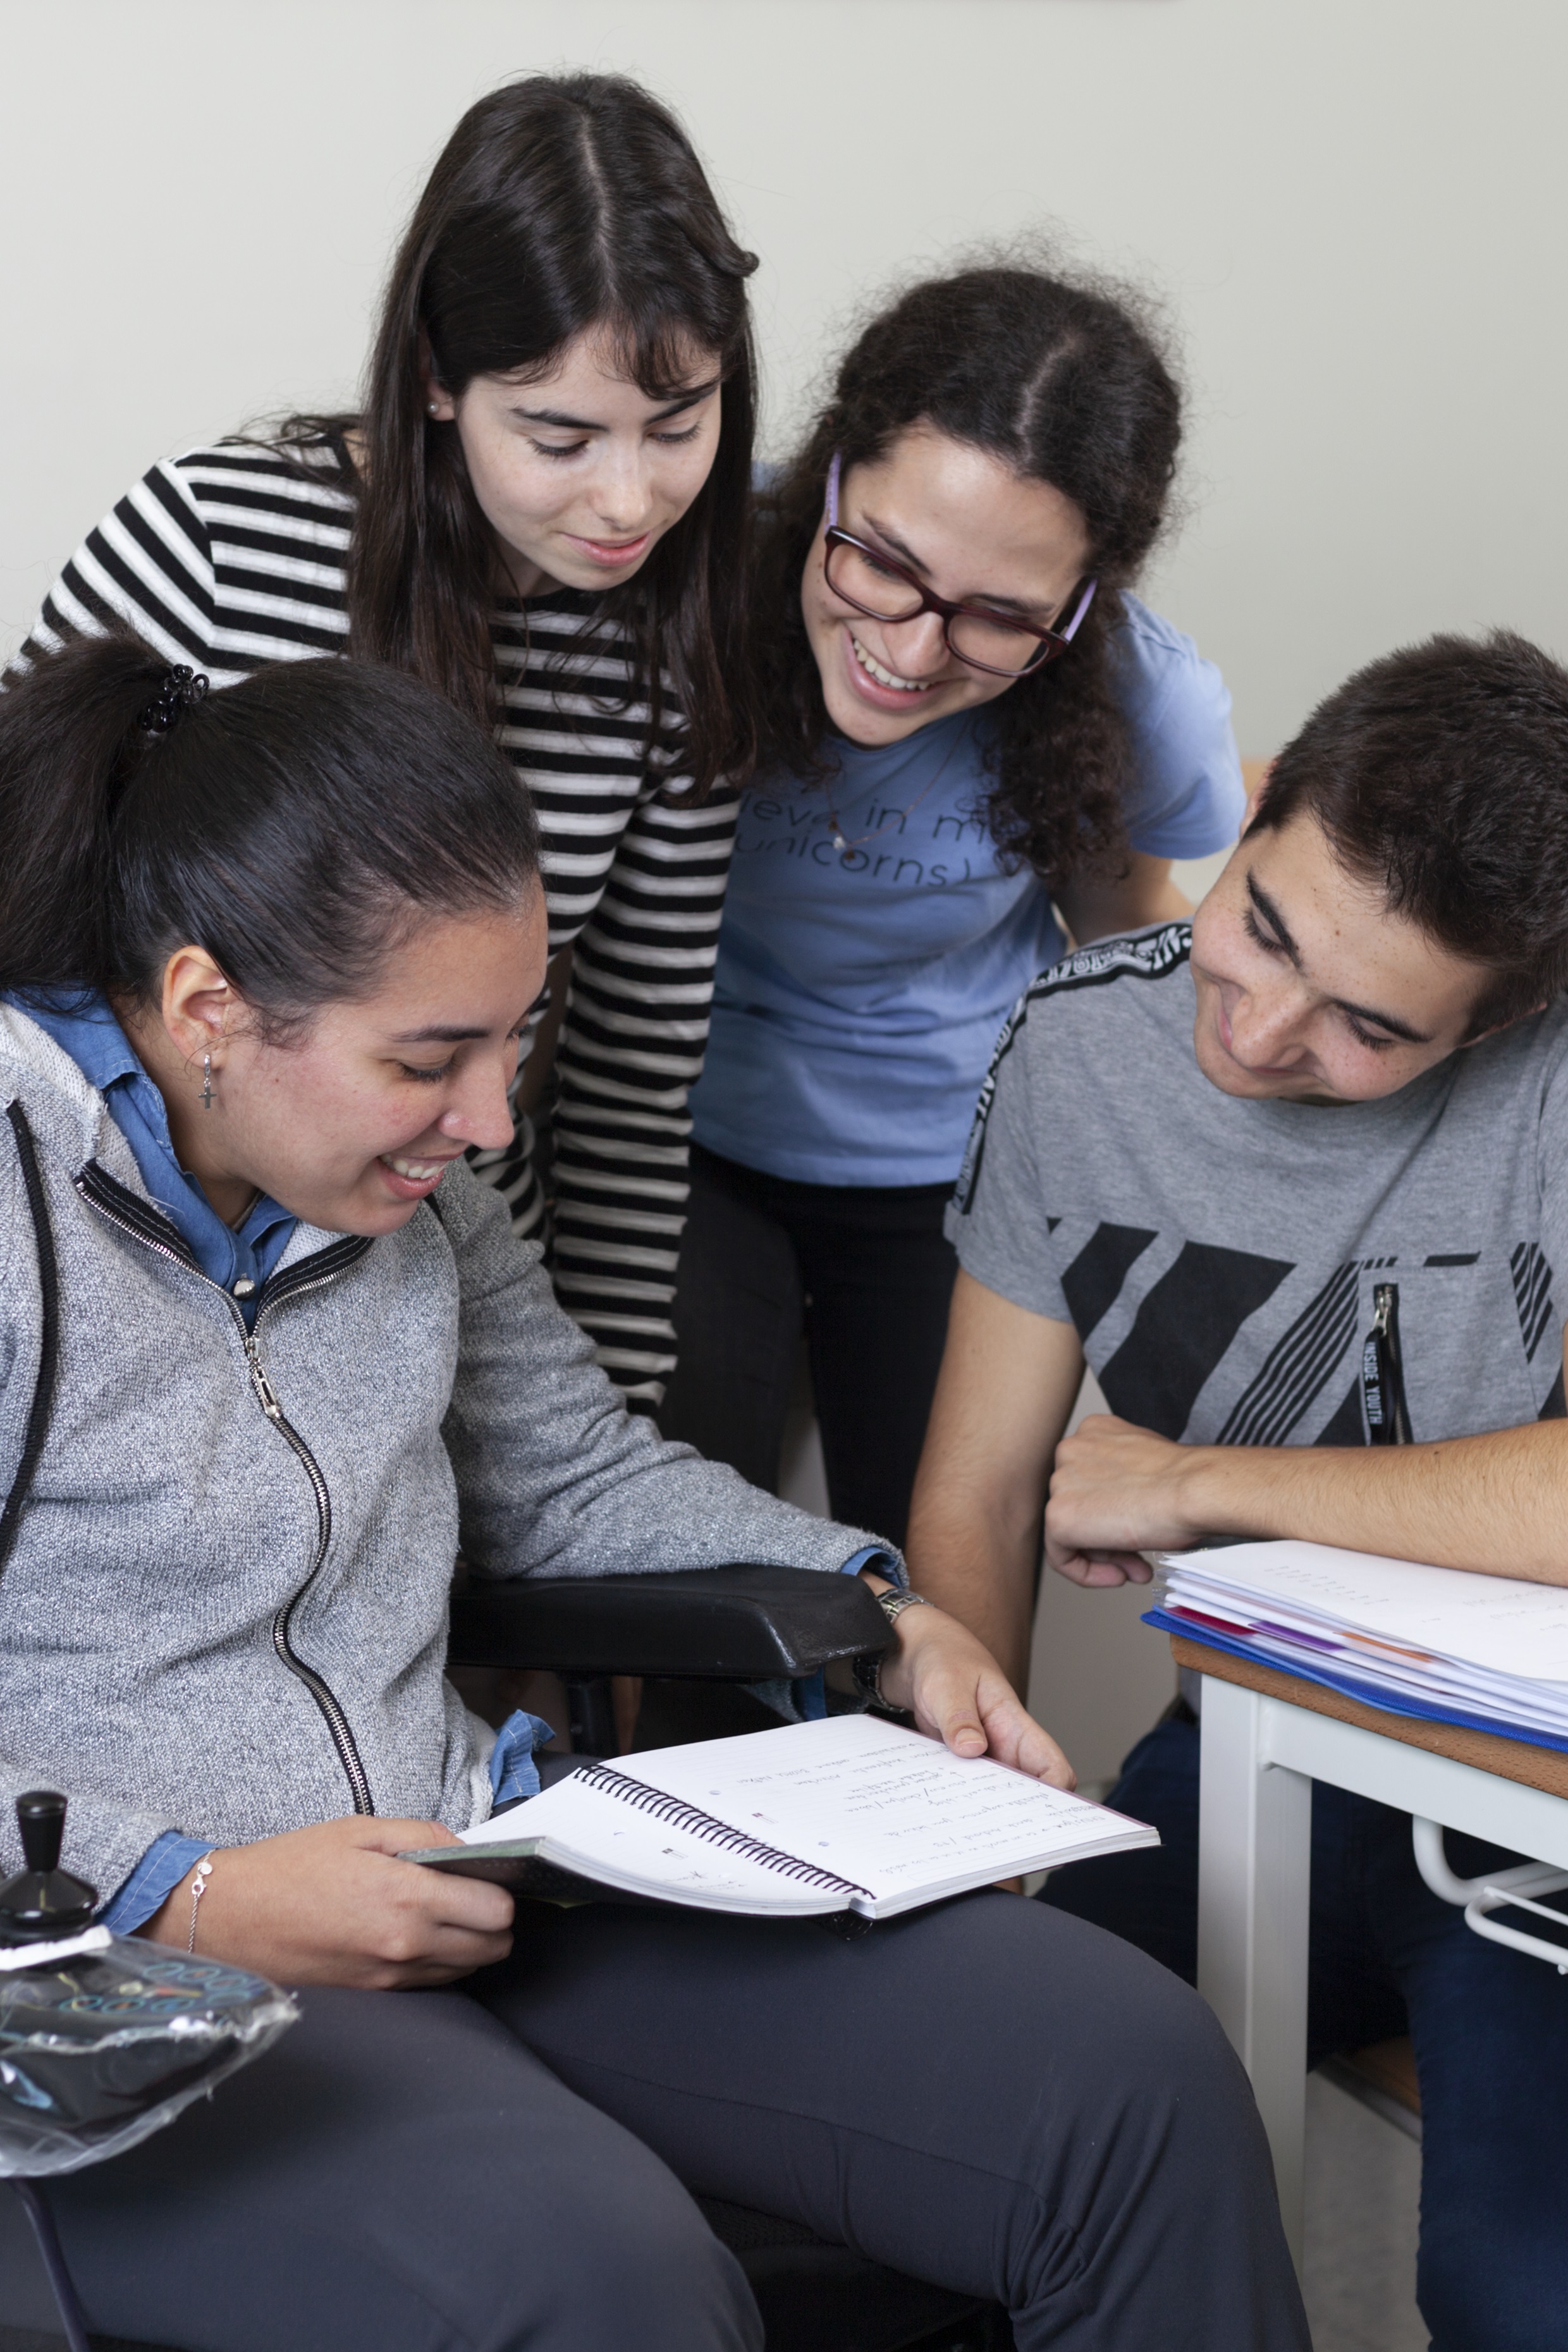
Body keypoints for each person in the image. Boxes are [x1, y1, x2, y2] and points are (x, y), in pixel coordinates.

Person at [0, 634, 1308, 2352]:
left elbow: (578, 1474)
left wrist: (885, 1605)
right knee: (599, 2280)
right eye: (430, 1058)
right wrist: (194, 1888)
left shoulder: (421, 1195)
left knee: (1130, 2082)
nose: (487, 1118)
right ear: (206, 1009)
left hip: (479, 1868)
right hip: (121, 1977)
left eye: (513, 1041)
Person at [904, 630, 1568, 2352]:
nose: (1262, 1028)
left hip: (1520, 1823)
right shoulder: (1075, 1048)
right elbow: (975, 1501)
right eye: (1263, 925)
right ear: (1260, 806)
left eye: (1368, 1028)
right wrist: (972, 1844)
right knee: (963, 2154)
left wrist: (1199, 1485)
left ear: (1501, 1021)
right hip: (1247, 1768)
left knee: (1522, 2289)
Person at [6, 70, 762, 1411]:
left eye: (680, 424)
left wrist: (604, 1415)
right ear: (432, 379)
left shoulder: (673, 649)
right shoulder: (217, 541)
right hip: (131, 1292)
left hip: (443, 1273)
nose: (629, 496)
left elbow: (636, 1085)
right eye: (560, 435)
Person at [660, 262, 1242, 1545]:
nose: (913, 653)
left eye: (999, 619)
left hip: (952, 1166)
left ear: (1082, 605)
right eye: (881, 562)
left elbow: (1122, 932)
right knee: (678, 1571)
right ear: (828, 475)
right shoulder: (674, 580)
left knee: (948, 1565)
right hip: (671, 1140)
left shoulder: (1143, 703)